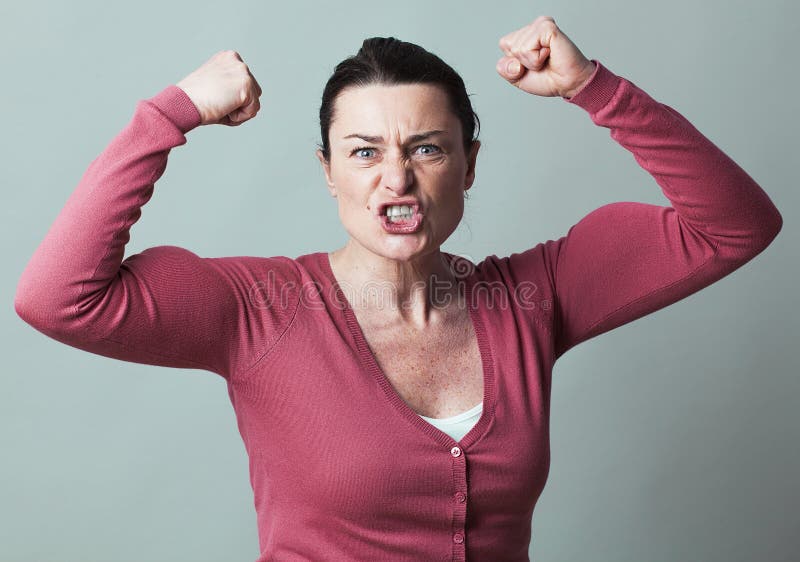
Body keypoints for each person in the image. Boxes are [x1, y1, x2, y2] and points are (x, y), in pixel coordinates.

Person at [14, 15, 782, 562]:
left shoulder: (537, 296)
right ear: (328, 172)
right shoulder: (257, 310)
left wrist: (592, 87)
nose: (396, 176)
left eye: (426, 148)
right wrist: (167, 114)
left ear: (468, 166)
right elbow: (57, 298)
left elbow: (736, 226)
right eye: (363, 150)